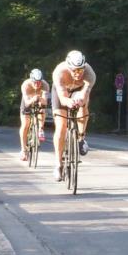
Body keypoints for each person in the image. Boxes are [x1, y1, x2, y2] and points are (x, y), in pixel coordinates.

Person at [51, 50, 96, 181]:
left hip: (78, 90)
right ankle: (58, 164)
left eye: (80, 70)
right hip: (61, 92)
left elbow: (84, 94)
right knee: (61, 126)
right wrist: (68, 102)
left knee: (83, 106)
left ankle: (81, 138)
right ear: (68, 67)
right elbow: (63, 99)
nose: (78, 73)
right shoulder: (59, 72)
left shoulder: (90, 73)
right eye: (74, 70)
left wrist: (79, 100)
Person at [19, 68, 49, 161]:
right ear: (31, 80)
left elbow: (45, 102)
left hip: (38, 100)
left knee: (42, 108)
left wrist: (40, 99)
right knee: (25, 124)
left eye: (39, 82)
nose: (37, 84)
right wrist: (33, 99)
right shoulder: (26, 85)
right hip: (27, 101)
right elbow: (27, 103)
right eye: (35, 82)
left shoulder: (45, 85)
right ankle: (24, 150)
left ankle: (40, 129)